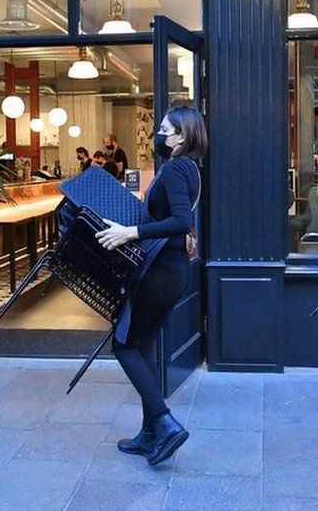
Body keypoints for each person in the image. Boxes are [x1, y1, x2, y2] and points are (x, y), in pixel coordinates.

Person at [95, 105, 205, 466]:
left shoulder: (175, 168)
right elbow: (179, 222)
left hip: (159, 273)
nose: (159, 134)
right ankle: (148, 434)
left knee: (125, 346)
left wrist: (131, 232)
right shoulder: (192, 169)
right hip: (172, 272)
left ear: (181, 135)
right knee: (144, 346)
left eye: (164, 129)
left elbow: (179, 220)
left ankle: (164, 422)